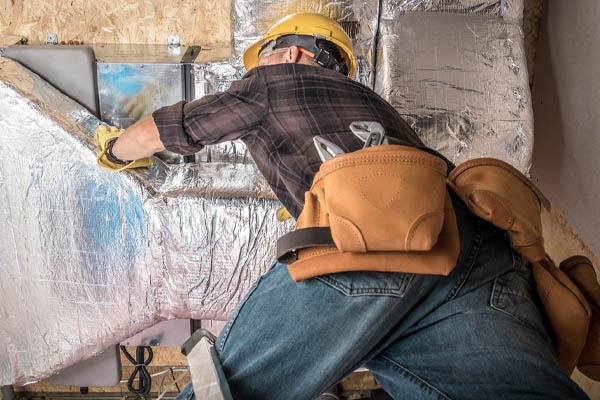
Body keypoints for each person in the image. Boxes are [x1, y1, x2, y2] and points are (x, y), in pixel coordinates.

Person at [101, 13, 589, 400]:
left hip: (372, 239)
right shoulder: (372, 102)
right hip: (478, 250)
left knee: (225, 389)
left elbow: (172, 129)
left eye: (258, 61)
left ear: (290, 53)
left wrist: (114, 151)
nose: (252, 73)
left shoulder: (273, 82)